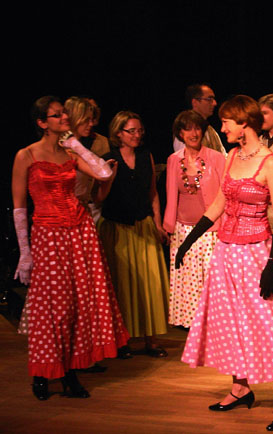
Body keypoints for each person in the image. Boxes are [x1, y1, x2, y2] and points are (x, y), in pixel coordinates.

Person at [178, 95, 273, 431]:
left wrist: (272, 262)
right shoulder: (232, 156)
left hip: (257, 251)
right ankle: (240, 387)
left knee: (269, 325)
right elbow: (220, 202)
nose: (222, 127)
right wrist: (190, 239)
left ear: (244, 124)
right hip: (226, 250)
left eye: (227, 122)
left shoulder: (269, 162)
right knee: (230, 321)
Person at [12, 96, 129, 400]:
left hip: (79, 231)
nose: (64, 117)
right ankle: (42, 373)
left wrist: (76, 144)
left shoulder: (70, 152)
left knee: (77, 304)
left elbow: (104, 173)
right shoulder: (26, 155)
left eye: (64, 113)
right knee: (52, 307)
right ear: (42, 123)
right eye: (57, 115)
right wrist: (25, 252)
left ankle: (70, 372)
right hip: (48, 235)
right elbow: (20, 207)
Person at [97, 111, 170, 358]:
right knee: (122, 286)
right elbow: (98, 197)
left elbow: (153, 193)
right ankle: (123, 340)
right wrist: (108, 177)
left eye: (140, 130)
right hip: (117, 227)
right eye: (132, 131)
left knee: (150, 283)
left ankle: (151, 340)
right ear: (119, 133)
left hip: (143, 224)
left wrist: (157, 223)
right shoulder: (108, 159)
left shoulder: (145, 155)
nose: (137, 135)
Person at [163, 110, 226, 328]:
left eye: (197, 128)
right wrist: (168, 227)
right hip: (182, 230)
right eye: (188, 129)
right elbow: (171, 195)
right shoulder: (173, 160)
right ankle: (192, 326)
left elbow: (224, 195)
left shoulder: (216, 158)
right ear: (180, 133)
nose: (193, 133)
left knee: (210, 280)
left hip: (211, 231)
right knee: (188, 280)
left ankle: (213, 325)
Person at [64, 96, 110, 221]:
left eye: (91, 119)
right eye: (86, 120)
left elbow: (105, 174)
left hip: (83, 213)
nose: (91, 124)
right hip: (63, 215)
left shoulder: (77, 147)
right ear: (75, 118)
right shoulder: (61, 148)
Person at [173, 83, 227, 155]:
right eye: (209, 99)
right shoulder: (184, 130)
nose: (214, 103)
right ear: (195, 102)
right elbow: (184, 158)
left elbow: (223, 155)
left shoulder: (210, 130)